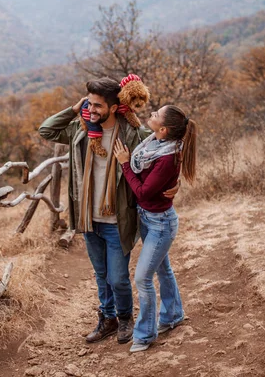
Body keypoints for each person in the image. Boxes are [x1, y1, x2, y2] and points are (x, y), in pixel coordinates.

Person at [38, 77, 178, 345]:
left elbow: (167, 151)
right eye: (89, 103)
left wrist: (175, 182)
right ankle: (107, 318)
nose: (92, 109)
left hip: (117, 220)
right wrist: (73, 108)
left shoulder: (133, 135)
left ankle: (125, 318)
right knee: (101, 276)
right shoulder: (80, 129)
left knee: (118, 278)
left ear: (114, 107)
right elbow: (46, 130)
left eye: (98, 105)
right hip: (88, 218)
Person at [113, 104, 196, 352]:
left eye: (156, 115)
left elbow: (142, 191)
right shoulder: (155, 143)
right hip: (148, 218)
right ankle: (173, 315)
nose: (151, 114)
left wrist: (125, 164)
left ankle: (144, 335)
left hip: (160, 223)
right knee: (163, 269)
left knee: (142, 278)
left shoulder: (168, 157)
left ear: (163, 129)